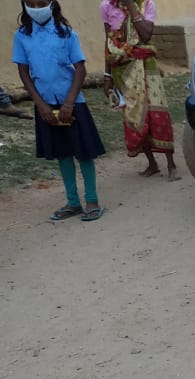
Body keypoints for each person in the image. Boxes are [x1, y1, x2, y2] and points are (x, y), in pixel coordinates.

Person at [12, 0, 107, 221]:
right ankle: (73, 202)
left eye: (42, 2)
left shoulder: (66, 33)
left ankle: (91, 200)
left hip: (72, 102)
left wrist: (69, 103)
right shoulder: (22, 35)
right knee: (62, 152)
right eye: (31, 2)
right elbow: (23, 71)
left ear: (52, 3)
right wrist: (40, 104)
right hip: (45, 103)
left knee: (83, 152)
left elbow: (80, 69)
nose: (37, 6)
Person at [100, 0, 177, 180]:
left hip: (146, 66)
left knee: (156, 112)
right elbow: (109, 42)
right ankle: (152, 163)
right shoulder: (106, 6)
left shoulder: (146, 4)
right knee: (135, 115)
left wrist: (133, 8)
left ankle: (171, 164)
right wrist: (107, 75)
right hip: (122, 70)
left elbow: (146, 35)